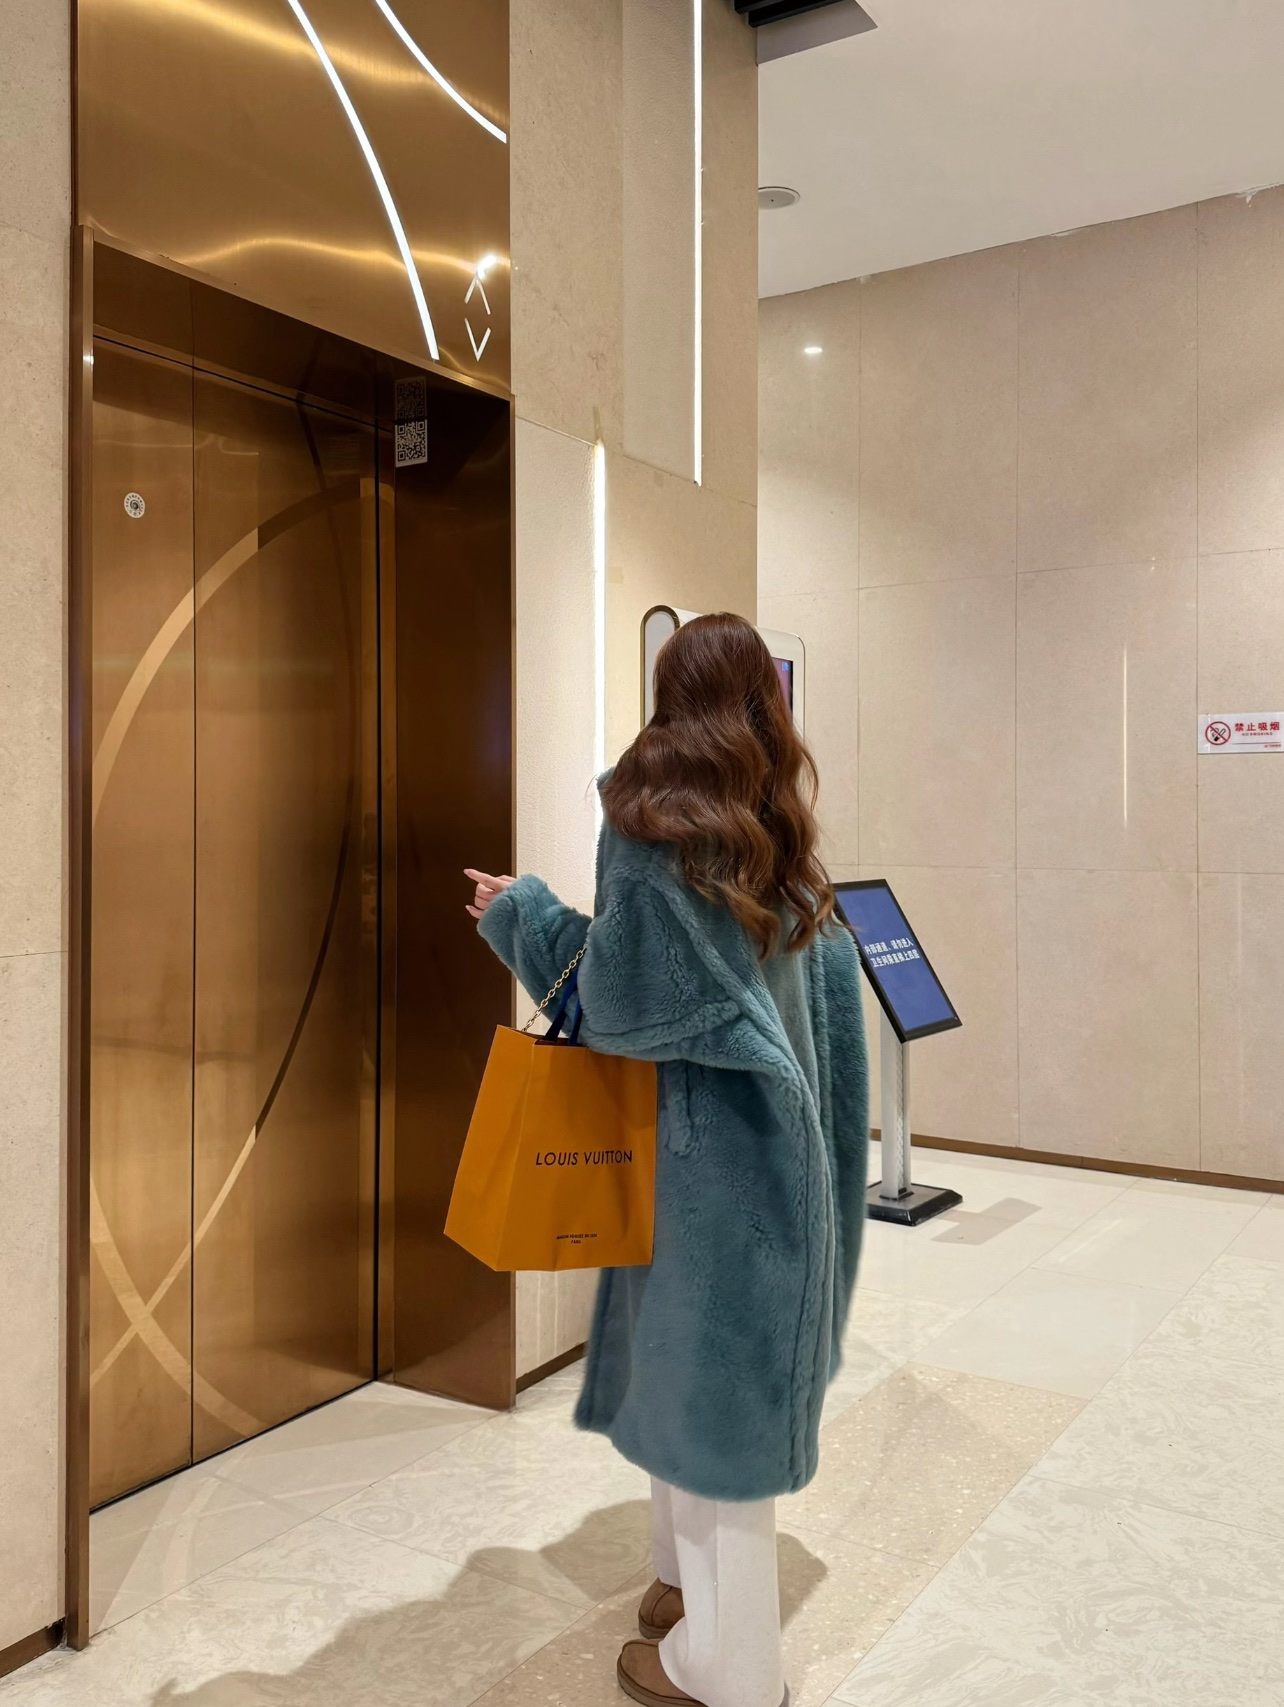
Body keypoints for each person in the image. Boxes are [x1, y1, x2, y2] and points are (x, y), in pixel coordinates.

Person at [465, 611, 869, 1707]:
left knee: (715, 1406)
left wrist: (526, 916)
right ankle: (682, 1586)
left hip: (698, 1162)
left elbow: (626, 1001)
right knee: (707, 1384)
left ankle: (731, 1670)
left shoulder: (647, 820)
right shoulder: (778, 824)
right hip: (779, 1155)